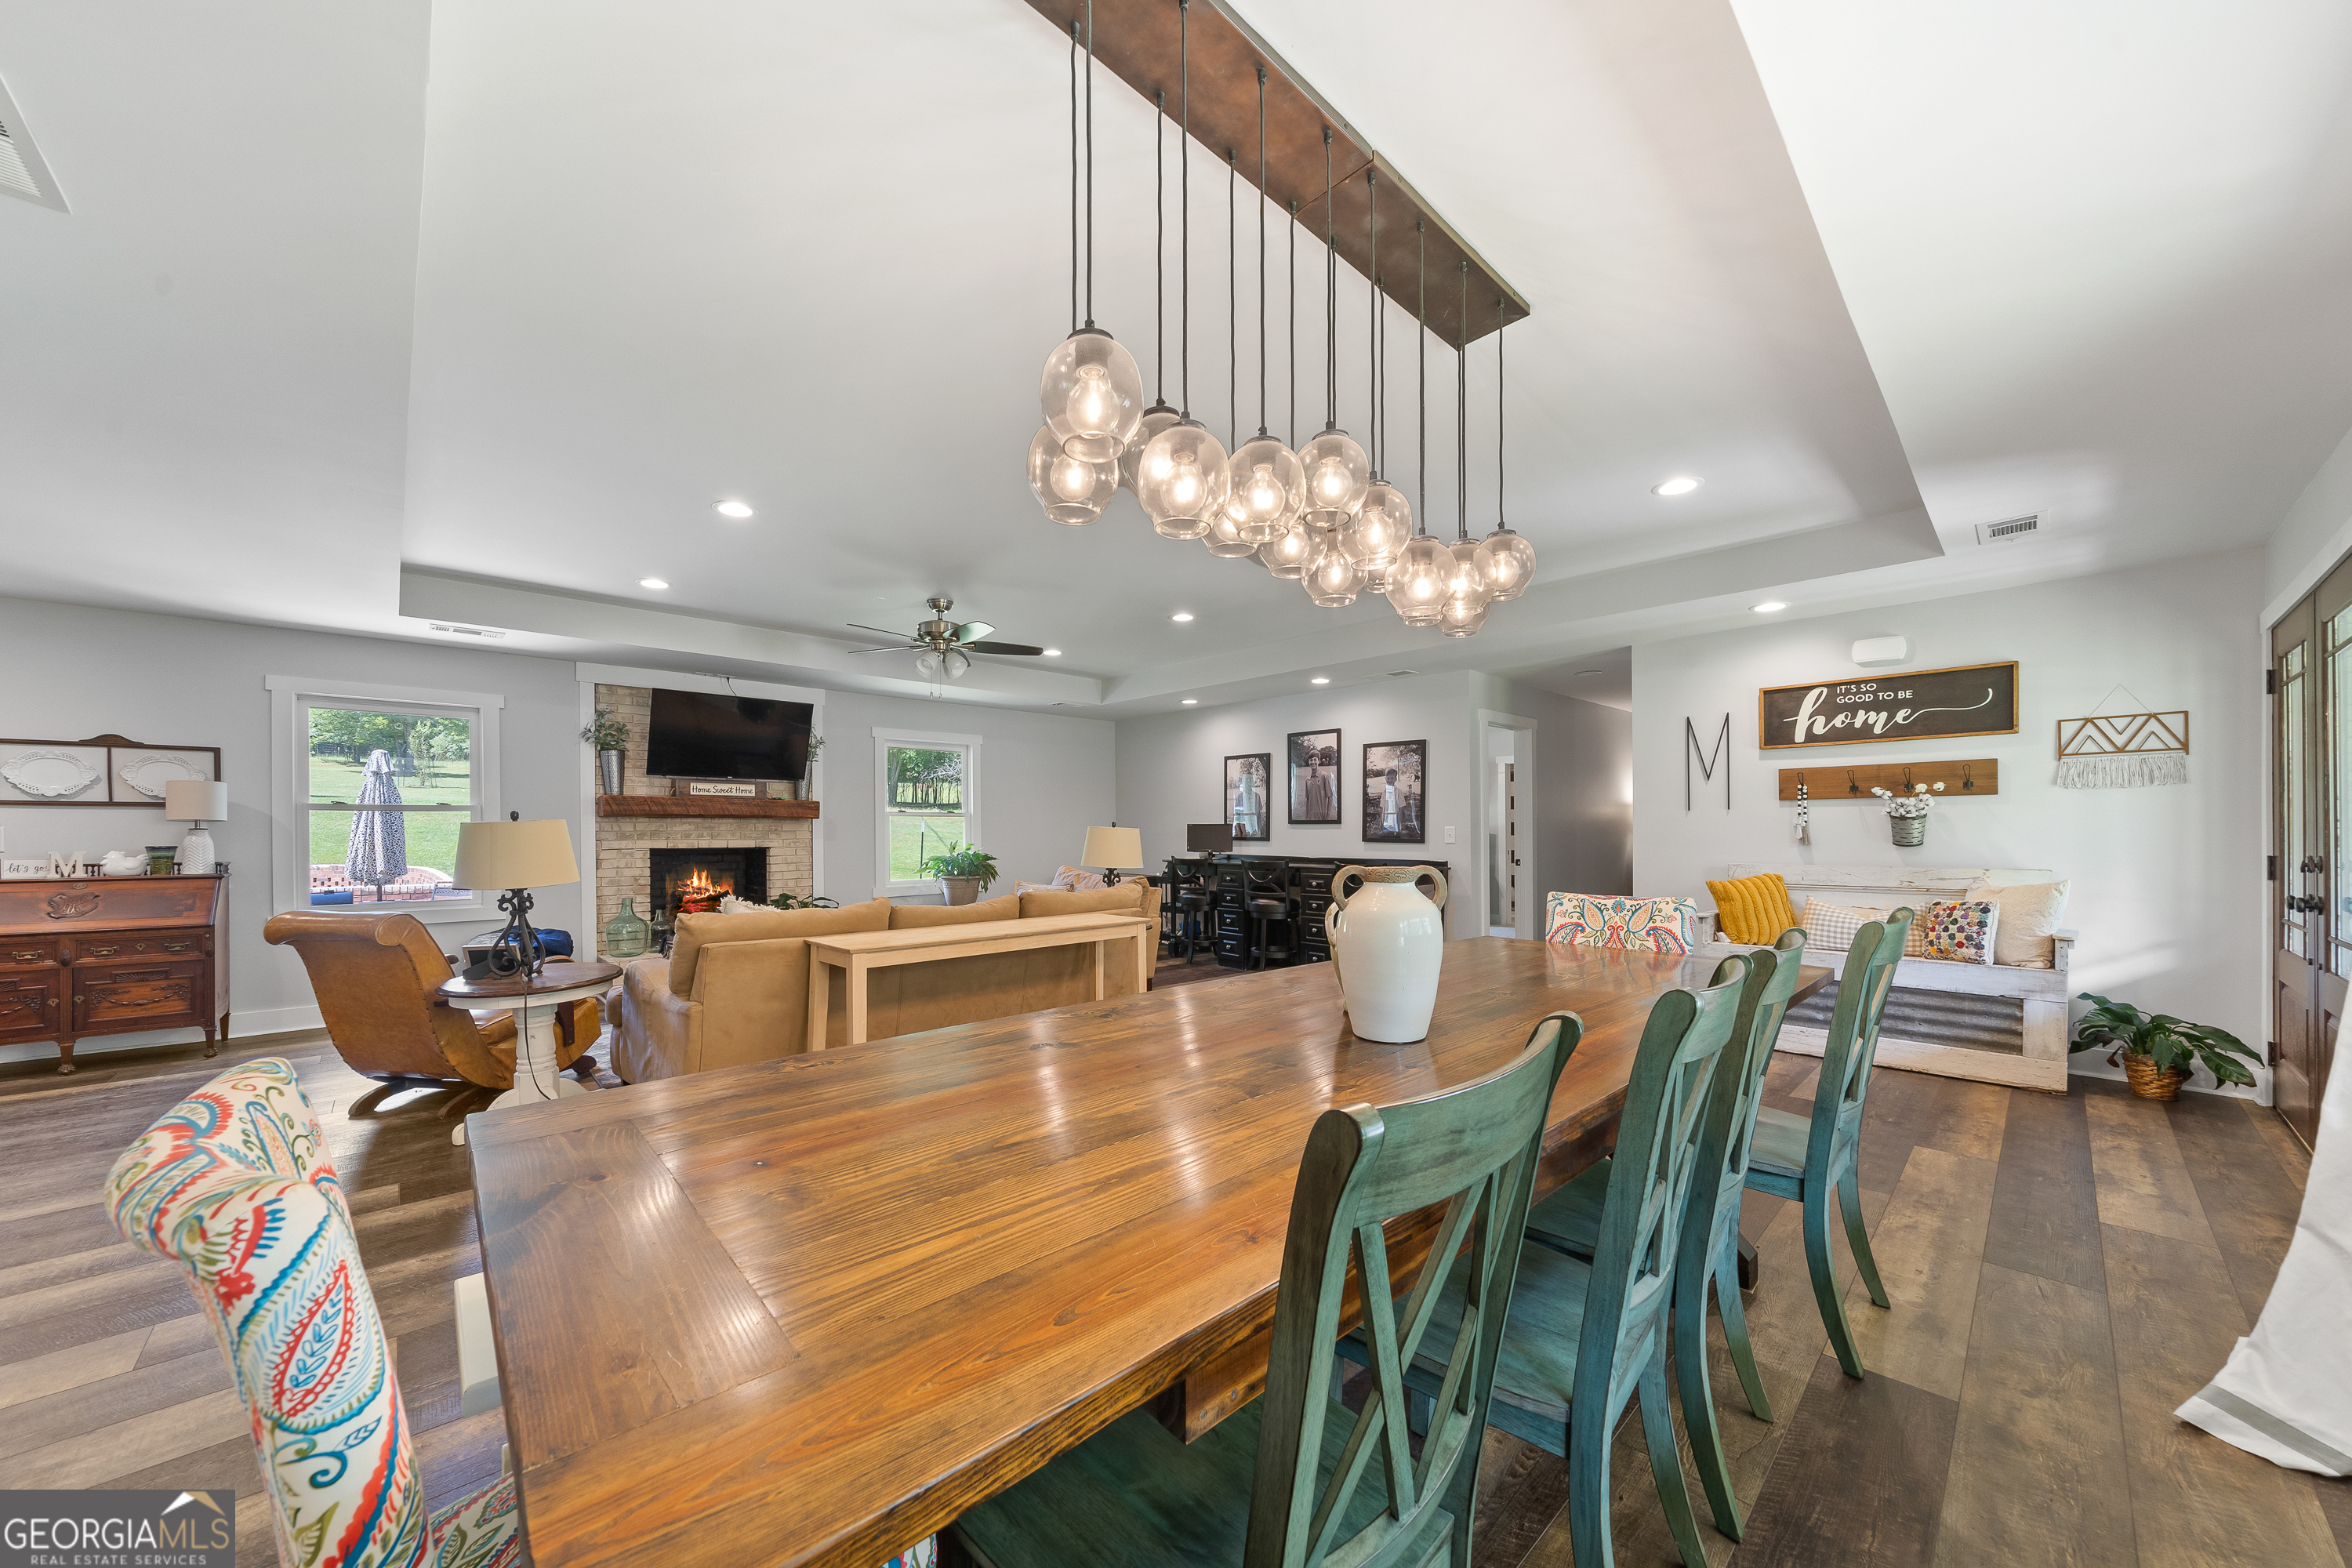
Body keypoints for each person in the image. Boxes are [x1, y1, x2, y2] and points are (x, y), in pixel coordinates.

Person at [1381, 767, 1401, 837]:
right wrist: (1381, 822)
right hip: (1386, 823)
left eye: (1392, 778)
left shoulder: (1398, 792)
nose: (1390, 780)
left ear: (1396, 779)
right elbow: (1382, 808)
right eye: (1388, 778)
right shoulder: (1384, 793)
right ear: (1385, 779)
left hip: (1395, 822)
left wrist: (1399, 824)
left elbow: (1401, 808)